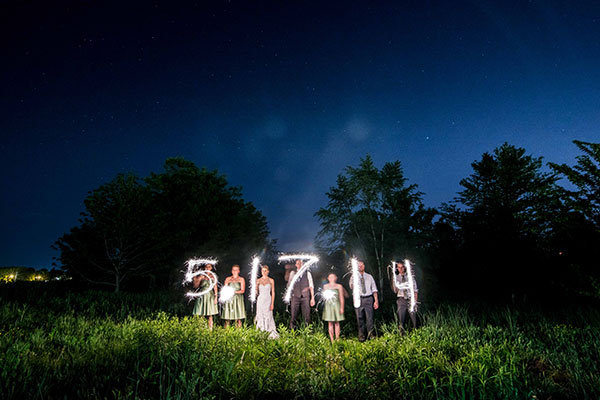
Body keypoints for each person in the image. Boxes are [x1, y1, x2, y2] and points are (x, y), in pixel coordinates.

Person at [349, 260, 378, 341]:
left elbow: (374, 289)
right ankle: (361, 336)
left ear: (364, 266)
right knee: (360, 318)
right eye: (358, 265)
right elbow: (351, 287)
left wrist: (376, 300)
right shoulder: (353, 276)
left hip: (368, 298)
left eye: (361, 265)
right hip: (359, 299)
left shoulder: (369, 276)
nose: (360, 267)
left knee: (370, 318)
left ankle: (371, 335)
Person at [286, 259, 315, 329]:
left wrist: (312, 298)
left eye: (301, 263)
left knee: (307, 316)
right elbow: (289, 285)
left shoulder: (307, 273)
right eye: (297, 263)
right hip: (295, 297)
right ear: (296, 265)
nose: (299, 265)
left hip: (305, 297)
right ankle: (292, 332)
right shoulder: (293, 273)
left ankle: (307, 332)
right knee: (293, 315)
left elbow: (311, 286)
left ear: (303, 264)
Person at [392, 260, 418, 333]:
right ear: (397, 268)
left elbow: (415, 290)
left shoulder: (410, 277)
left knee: (413, 315)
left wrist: (415, 301)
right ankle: (402, 332)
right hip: (401, 299)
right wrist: (394, 281)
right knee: (401, 316)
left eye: (402, 267)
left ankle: (416, 331)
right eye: (399, 267)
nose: (401, 269)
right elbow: (395, 291)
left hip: (410, 298)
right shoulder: (396, 278)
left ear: (405, 267)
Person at [254, 264, 279, 338]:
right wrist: (255, 288)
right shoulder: (258, 280)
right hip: (260, 299)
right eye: (262, 271)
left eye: (265, 271)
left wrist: (272, 303)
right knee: (260, 315)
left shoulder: (271, 280)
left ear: (268, 271)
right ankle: (261, 331)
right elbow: (257, 292)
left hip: (268, 299)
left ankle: (269, 330)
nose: (264, 272)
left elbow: (273, 292)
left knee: (268, 315)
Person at [192, 263, 219, 329]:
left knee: (210, 314)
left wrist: (216, 297)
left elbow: (215, 287)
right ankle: (201, 328)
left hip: (210, 296)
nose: (207, 268)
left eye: (209, 267)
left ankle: (210, 330)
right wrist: (195, 278)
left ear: (211, 268)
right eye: (206, 267)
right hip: (202, 295)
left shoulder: (213, 276)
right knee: (201, 314)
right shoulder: (202, 276)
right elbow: (196, 286)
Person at [322, 272, 345, 342]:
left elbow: (341, 297)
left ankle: (337, 338)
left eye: (333, 277)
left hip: (337, 305)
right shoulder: (325, 286)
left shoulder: (339, 286)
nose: (332, 278)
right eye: (330, 277)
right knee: (330, 323)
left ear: (336, 278)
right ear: (328, 278)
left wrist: (342, 307)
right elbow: (323, 296)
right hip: (328, 306)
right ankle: (332, 340)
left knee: (337, 323)